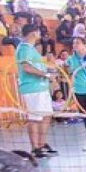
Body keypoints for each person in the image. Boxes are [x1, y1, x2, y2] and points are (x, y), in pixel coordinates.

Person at [15, 25, 56, 158]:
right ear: (33, 33)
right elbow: (26, 67)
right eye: (38, 32)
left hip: (41, 87)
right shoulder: (24, 48)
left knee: (46, 115)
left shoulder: (32, 49)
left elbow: (37, 66)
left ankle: (42, 144)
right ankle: (35, 148)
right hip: (32, 88)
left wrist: (48, 73)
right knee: (35, 117)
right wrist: (45, 75)